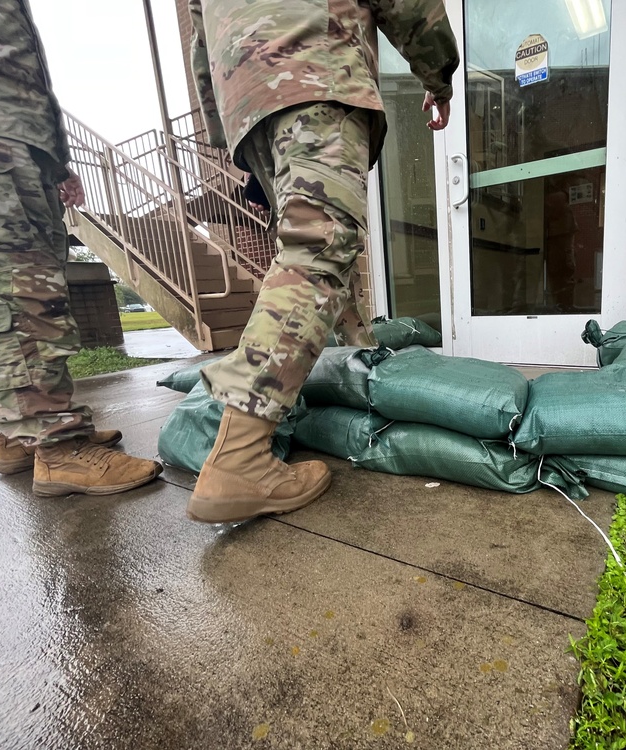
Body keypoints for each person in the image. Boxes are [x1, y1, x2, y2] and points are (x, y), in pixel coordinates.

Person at [186, 0, 459, 524]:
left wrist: (229, 126)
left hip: (247, 92)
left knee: (318, 249)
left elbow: (201, 41)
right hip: (316, 65)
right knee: (319, 251)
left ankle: (358, 363)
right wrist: (438, 75)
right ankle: (239, 457)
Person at [0, 1, 163, 496]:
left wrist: (56, 159)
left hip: (11, 143)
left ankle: (20, 433)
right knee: (9, 297)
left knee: (34, 295)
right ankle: (59, 450)